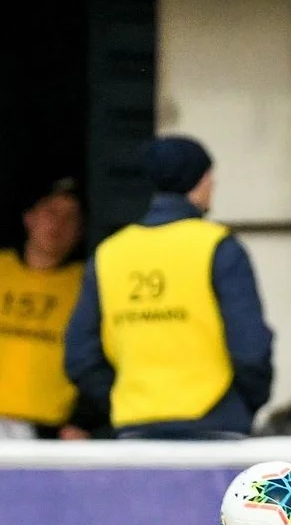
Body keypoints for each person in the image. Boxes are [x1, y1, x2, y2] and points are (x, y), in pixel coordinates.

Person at [64, 136, 274, 439]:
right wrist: (240, 404)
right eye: (210, 176)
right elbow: (251, 348)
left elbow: (79, 356)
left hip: (136, 426)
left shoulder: (110, 253)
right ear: (200, 180)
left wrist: (120, 397)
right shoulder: (218, 246)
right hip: (215, 422)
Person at [0, 179, 101, 439]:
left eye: (71, 218)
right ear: (29, 217)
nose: (59, 224)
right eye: (51, 212)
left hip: (48, 432)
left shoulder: (88, 283)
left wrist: (83, 420)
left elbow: (102, 358)